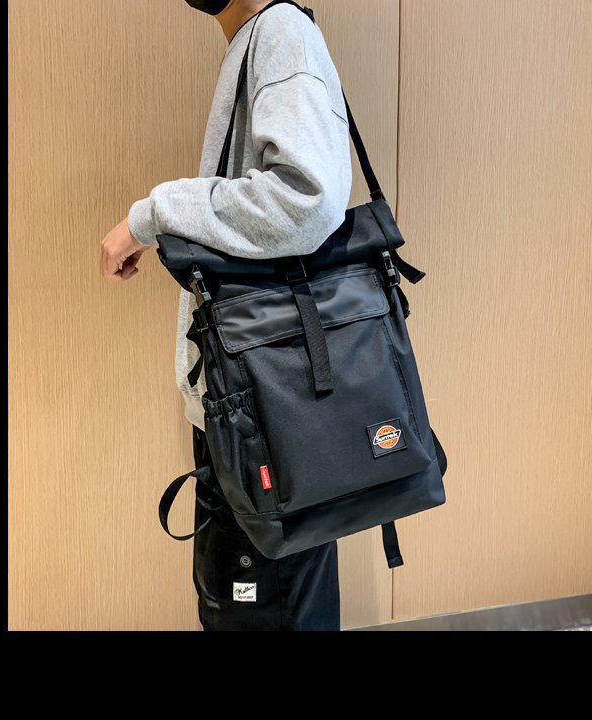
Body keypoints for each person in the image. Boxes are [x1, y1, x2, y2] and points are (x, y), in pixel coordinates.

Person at [100, 0, 352, 630]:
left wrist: (152, 217)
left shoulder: (282, 32)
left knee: (262, 612)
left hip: (262, 413)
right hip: (252, 403)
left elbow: (306, 199)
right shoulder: (259, 37)